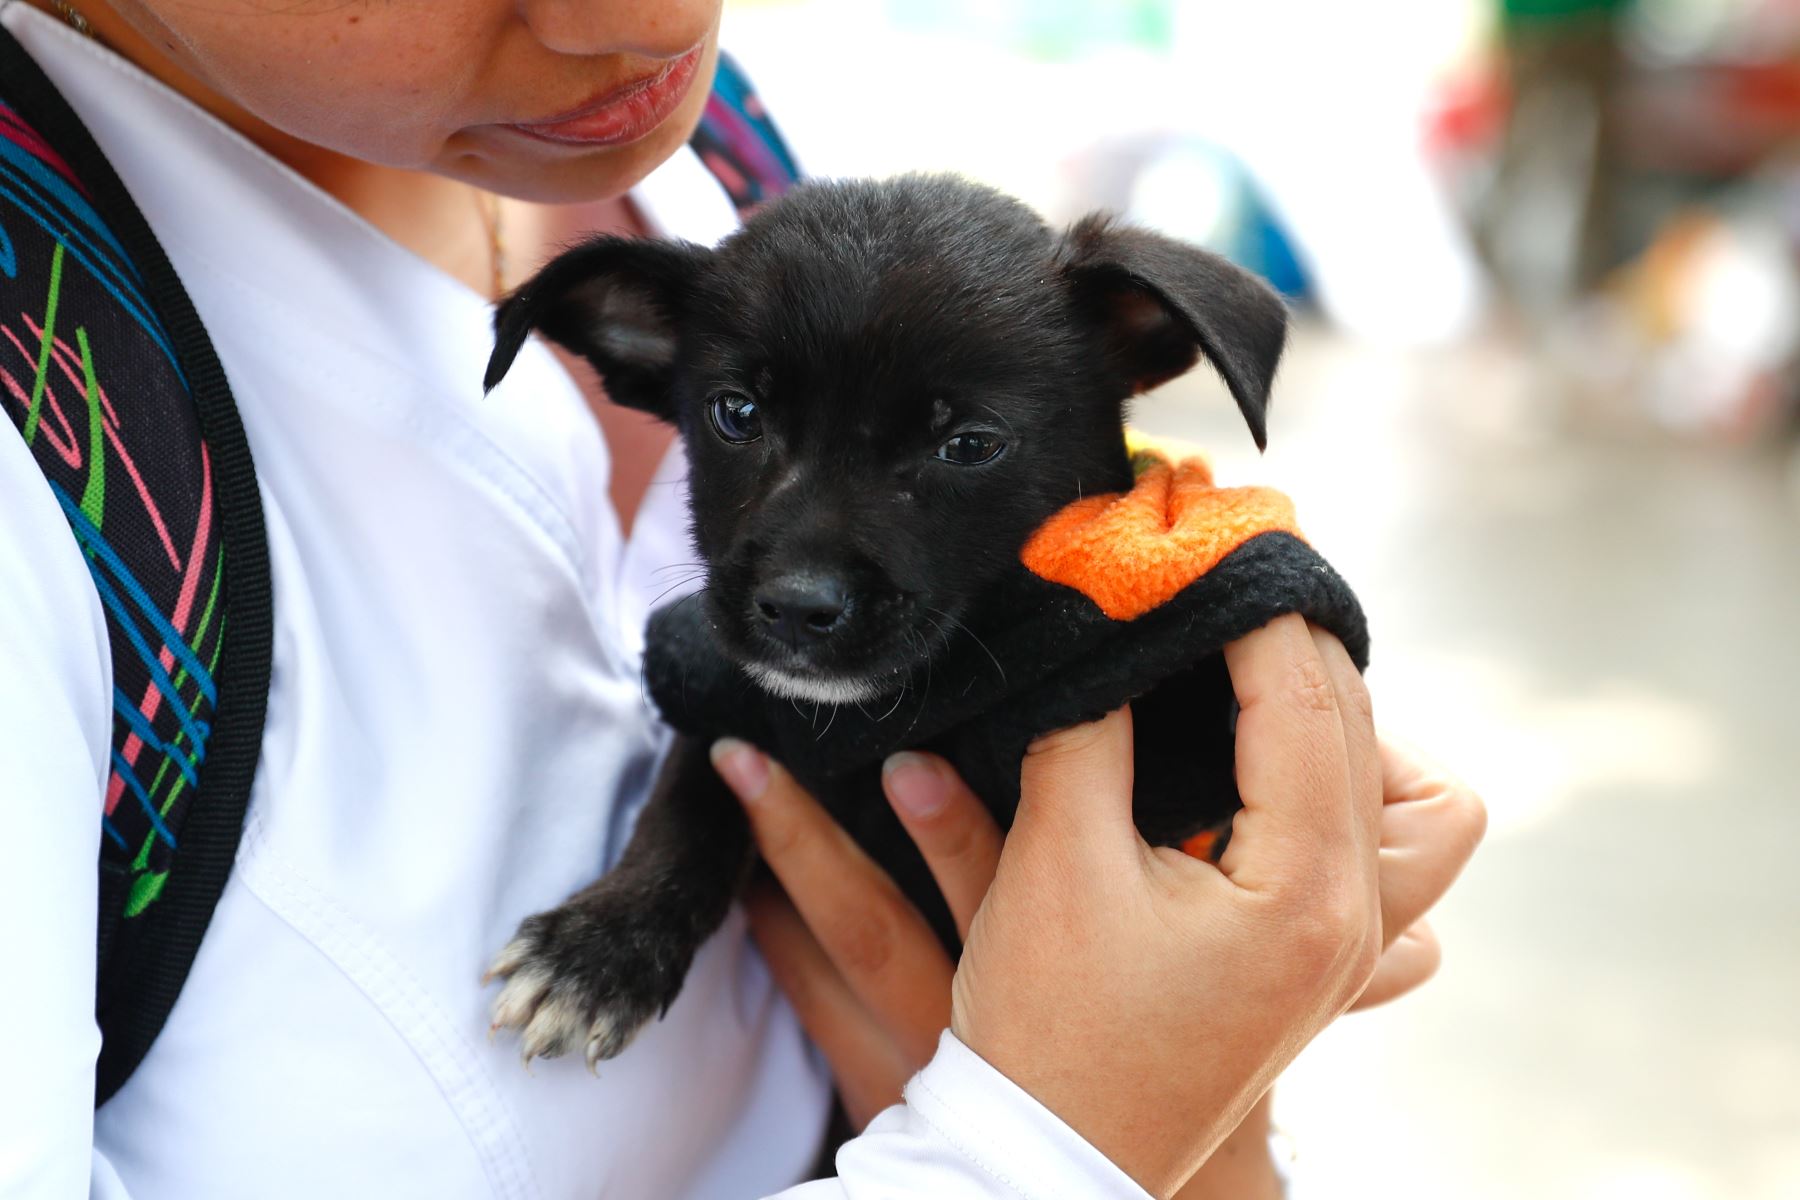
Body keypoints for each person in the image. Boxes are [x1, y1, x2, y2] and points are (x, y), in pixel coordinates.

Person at [0, 1, 1487, 1197]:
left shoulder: (724, 147)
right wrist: (1059, 1138)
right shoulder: (54, 457)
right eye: (741, 421)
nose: (647, 17)